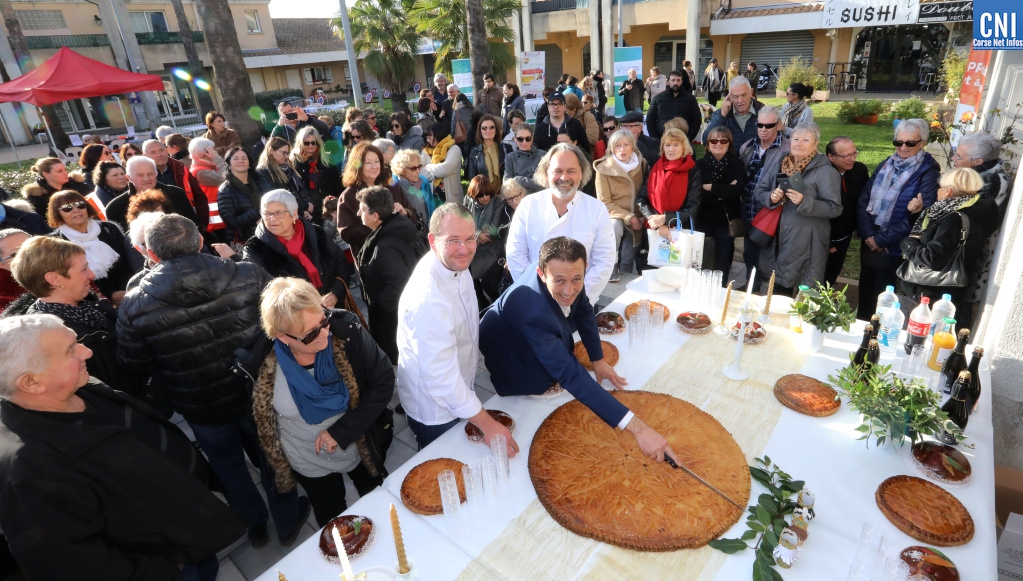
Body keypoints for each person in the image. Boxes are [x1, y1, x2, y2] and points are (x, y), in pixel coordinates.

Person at [0, 314, 245, 580]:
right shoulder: (27, 470)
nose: (87, 351)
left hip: (188, 535)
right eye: (71, 350)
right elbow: (71, 566)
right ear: (31, 383)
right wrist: (166, 570)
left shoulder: (79, 386)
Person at [116, 214, 311, 547]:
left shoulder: (134, 302)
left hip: (200, 404)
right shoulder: (248, 274)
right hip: (256, 393)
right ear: (200, 241)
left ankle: (255, 524)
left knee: (229, 468)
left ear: (152, 254)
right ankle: (287, 519)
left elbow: (133, 363)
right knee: (270, 455)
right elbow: (282, 324)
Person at [480, 236, 680, 461]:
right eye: (559, 281)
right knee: (538, 383)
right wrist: (639, 428)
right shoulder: (532, 311)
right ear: (540, 273)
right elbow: (569, 374)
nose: (569, 290)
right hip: (507, 349)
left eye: (577, 279)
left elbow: (584, 310)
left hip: (528, 328)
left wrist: (598, 360)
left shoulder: (567, 271)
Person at [252, 277, 392, 528]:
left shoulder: (347, 332)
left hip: (358, 446)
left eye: (323, 321)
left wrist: (341, 432)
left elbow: (382, 382)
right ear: (283, 337)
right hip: (307, 461)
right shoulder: (260, 364)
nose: (325, 333)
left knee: (381, 511)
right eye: (310, 335)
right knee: (335, 527)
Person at [395, 203, 519, 452]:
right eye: (453, 240)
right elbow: (442, 378)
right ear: (432, 240)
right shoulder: (428, 299)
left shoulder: (453, 263)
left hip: (459, 391)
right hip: (435, 411)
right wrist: (488, 424)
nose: (464, 249)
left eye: (470, 238)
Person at [10, 236, 142, 394]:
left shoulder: (93, 307)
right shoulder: (48, 336)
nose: (92, 275)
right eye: (84, 269)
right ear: (55, 278)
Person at [506, 143, 615, 305]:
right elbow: (515, 254)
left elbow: (604, 260)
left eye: (571, 171)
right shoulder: (528, 205)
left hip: (579, 302)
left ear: (581, 174)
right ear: (546, 173)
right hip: (536, 300)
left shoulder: (596, 209)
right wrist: (534, 293)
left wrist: (578, 296)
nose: (564, 178)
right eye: (558, 171)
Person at [857, 119, 940, 318]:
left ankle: (875, 337)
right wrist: (869, 235)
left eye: (910, 143)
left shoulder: (928, 171)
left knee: (883, 297)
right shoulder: (886, 163)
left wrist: (881, 240)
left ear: (923, 142)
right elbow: (863, 200)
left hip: (893, 247)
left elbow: (920, 215)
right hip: (870, 242)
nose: (903, 147)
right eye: (898, 142)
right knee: (865, 290)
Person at [898, 168, 997, 328]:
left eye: (940, 187)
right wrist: (917, 216)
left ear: (948, 191)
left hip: (933, 295)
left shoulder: (953, 218)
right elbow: (940, 238)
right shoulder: (974, 211)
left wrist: (908, 243)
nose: (937, 191)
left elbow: (933, 258)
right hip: (948, 292)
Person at [753, 122, 842, 294]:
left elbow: (834, 208)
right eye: (795, 138)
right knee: (776, 290)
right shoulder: (780, 162)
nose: (799, 144)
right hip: (775, 237)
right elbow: (759, 191)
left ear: (816, 144)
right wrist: (770, 197)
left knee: (801, 294)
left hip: (805, 243)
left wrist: (804, 201)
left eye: (806, 140)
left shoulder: (826, 171)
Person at [242, 190, 355, 312]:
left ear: (294, 213)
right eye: (266, 213)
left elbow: (341, 263)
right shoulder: (255, 247)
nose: (271, 219)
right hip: (295, 321)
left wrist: (335, 294)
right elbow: (259, 290)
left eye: (278, 213)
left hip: (333, 312)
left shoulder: (316, 233)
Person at [356, 186, 419, 362]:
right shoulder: (393, 229)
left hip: (392, 321)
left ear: (375, 216)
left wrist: (378, 305)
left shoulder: (384, 247)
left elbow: (398, 284)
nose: (358, 213)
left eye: (362, 210)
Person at [46, 191, 135, 301]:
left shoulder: (109, 229)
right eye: (67, 208)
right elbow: (66, 281)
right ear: (57, 213)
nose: (76, 210)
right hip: (91, 301)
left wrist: (126, 289)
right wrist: (108, 295)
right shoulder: (55, 244)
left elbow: (129, 260)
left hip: (130, 291)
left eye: (80, 204)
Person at [738, 105, 789, 292]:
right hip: (749, 208)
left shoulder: (789, 149)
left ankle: (774, 290)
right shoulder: (747, 147)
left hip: (772, 211)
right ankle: (752, 285)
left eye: (769, 125)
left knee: (772, 253)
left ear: (779, 125)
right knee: (750, 251)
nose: (763, 130)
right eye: (760, 125)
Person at [339, 142, 418, 254]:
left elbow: (413, 214)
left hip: (402, 251)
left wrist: (405, 212)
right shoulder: (348, 196)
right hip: (372, 256)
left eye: (377, 162)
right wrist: (375, 223)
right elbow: (346, 234)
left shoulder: (391, 185)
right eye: (368, 162)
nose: (374, 166)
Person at [594, 129, 647, 282]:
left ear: (633, 147)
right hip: (615, 216)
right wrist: (629, 217)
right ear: (611, 148)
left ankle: (624, 291)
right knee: (615, 225)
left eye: (626, 145)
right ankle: (611, 264)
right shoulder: (603, 168)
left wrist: (642, 216)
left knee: (627, 261)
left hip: (637, 218)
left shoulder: (642, 164)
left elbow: (646, 193)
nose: (622, 150)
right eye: (617, 146)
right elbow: (604, 202)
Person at [637, 127, 703, 247]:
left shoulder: (693, 172)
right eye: (667, 145)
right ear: (662, 148)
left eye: (676, 145)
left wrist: (666, 218)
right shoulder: (654, 169)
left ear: (684, 147)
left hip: (680, 235)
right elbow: (642, 199)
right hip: (653, 231)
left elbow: (693, 208)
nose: (671, 149)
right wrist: (658, 223)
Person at [696, 126, 747, 279]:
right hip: (703, 219)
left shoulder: (737, 164)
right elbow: (697, 192)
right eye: (714, 140)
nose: (718, 143)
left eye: (723, 140)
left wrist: (711, 187)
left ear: (729, 143)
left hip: (726, 222)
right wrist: (724, 190)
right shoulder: (699, 165)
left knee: (722, 263)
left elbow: (737, 190)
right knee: (702, 261)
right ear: (708, 143)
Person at [104, 156, 201, 231]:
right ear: (129, 178)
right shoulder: (115, 207)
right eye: (140, 175)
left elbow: (194, 225)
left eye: (150, 174)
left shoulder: (175, 193)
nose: (146, 179)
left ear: (156, 174)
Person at [824, 136, 869, 285]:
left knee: (833, 270)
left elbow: (862, 200)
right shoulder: (821, 173)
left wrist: (858, 226)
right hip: (822, 234)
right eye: (846, 156)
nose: (852, 159)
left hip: (844, 233)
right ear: (831, 156)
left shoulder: (860, 170)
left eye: (854, 153)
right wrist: (827, 240)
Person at [141, 139, 210, 231]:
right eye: (153, 152)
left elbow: (199, 196)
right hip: (160, 229)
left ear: (166, 151)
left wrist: (201, 224)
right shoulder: (141, 175)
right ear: (145, 156)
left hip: (188, 225)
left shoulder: (179, 168)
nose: (159, 155)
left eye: (161, 150)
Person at [463, 175, 506, 304]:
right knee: (474, 286)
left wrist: (481, 234)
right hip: (472, 244)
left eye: (488, 194)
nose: (486, 197)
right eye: (481, 195)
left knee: (489, 285)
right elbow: (465, 222)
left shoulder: (497, 203)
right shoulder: (467, 201)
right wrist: (477, 234)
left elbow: (494, 227)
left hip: (491, 246)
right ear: (474, 195)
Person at [292, 126, 340, 225]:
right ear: (300, 143)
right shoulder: (294, 161)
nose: (310, 145)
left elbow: (337, 183)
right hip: (306, 208)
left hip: (327, 206)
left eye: (313, 142)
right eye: (306, 143)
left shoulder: (326, 159)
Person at [256, 136, 312, 220]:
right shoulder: (263, 172)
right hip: (279, 218)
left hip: (294, 213)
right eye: (284, 153)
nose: (286, 157)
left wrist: (303, 209)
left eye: (287, 154)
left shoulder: (287, 169)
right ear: (271, 151)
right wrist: (304, 206)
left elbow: (295, 193)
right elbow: (276, 198)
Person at [953, 132, 1011, 210]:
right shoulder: (969, 173)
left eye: (959, 156)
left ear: (978, 162)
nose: (953, 158)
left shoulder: (993, 182)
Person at [219, 146, 265, 242]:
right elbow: (231, 222)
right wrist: (259, 213)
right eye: (235, 158)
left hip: (267, 233)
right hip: (245, 239)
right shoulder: (225, 190)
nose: (241, 161)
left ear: (249, 163)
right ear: (229, 165)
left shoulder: (260, 181)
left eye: (244, 158)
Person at [705, 77, 764, 151]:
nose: (740, 100)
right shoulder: (721, 114)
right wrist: (722, 116)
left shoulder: (763, 112)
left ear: (751, 92)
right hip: (729, 161)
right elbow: (705, 140)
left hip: (757, 161)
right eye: (735, 96)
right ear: (730, 97)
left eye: (744, 95)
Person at [188, 137, 229, 238]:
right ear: (205, 153)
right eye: (213, 149)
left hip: (221, 221)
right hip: (216, 225)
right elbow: (224, 177)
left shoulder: (206, 167)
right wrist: (217, 158)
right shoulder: (199, 172)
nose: (215, 151)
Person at [646, 70, 702, 143]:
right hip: (663, 139)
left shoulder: (690, 99)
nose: (675, 83)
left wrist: (689, 138)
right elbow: (650, 120)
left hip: (683, 139)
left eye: (678, 80)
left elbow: (697, 120)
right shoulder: (657, 99)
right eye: (673, 80)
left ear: (681, 82)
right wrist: (656, 139)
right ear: (668, 82)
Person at [21, 158, 91, 216]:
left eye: (65, 170)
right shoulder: (37, 198)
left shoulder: (78, 186)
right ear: (46, 174)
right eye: (59, 171)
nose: (65, 173)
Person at [392, 148, 441, 229]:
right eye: (413, 168)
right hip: (407, 231)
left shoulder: (423, 182)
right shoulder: (395, 187)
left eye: (419, 167)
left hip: (426, 228)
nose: (418, 171)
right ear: (402, 170)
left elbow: (431, 206)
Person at [423, 121, 465, 203]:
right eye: (427, 138)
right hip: (433, 197)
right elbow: (420, 170)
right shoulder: (427, 151)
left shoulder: (454, 149)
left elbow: (445, 169)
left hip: (451, 198)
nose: (428, 140)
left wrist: (427, 168)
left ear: (438, 135)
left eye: (430, 137)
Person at [466, 114, 512, 184]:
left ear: (496, 130)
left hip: (504, 192)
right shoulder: (474, 152)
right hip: (484, 193)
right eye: (484, 128)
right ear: (480, 131)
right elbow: (472, 179)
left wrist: (505, 191)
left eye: (491, 127)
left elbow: (512, 173)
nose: (488, 130)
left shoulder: (507, 148)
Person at [503, 122, 547, 194]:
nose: (524, 142)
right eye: (520, 139)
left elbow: (545, 183)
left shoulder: (542, 155)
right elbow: (506, 185)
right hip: (517, 199)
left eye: (528, 138)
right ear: (515, 139)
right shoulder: (510, 158)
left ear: (532, 138)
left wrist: (519, 180)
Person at [0, 229, 29, 310]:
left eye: (33, 248)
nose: (30, 255)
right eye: (17, 253)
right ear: (1, 263)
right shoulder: (4, 299)